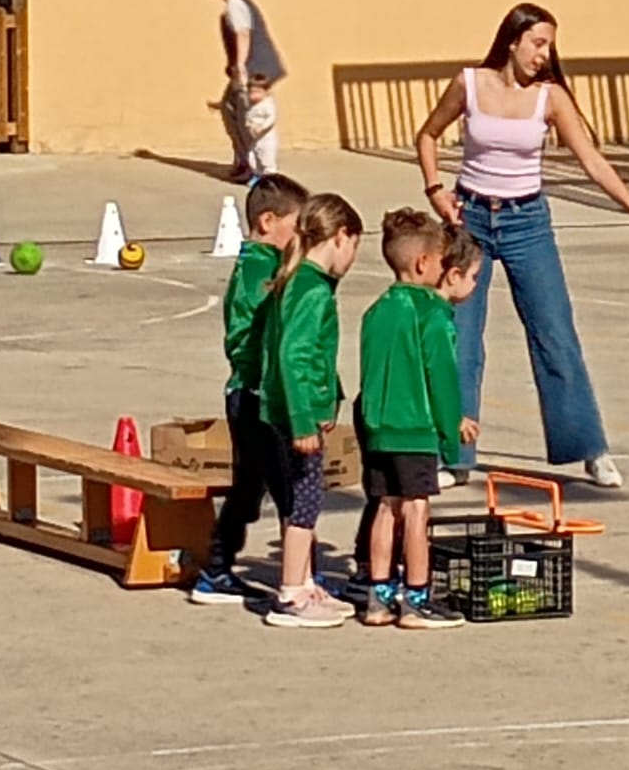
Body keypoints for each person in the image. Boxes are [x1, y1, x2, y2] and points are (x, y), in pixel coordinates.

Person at [415, 3, 629, 490]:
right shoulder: (469, 84)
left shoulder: (550, 98)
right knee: (459, 338)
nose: (544, 54)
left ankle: (589, 449)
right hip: (469, 220)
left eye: (550, 45)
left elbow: (592, 162)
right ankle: (454, 454)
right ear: (512, 40)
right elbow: (427, 135)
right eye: (538, 43)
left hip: (527, 222)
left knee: (554, 333)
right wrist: (435, 189)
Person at [347, 219, 484, 600]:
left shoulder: (377, 310)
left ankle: (377, 593)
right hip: (414, 427)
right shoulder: (433, 315)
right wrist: (451, 432)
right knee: (416, 511)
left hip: (378, 424)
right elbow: (441, 379)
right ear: (424, 263)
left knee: (385, 506)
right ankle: (416, 595)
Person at [189, 174, 310, 605]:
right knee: (290, 489)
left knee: (250, 486)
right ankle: (299, 581)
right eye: (296, 227)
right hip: (258, 394)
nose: (301, 237)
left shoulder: (256, 263)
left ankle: (216, 569)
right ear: (267, 221)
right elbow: (267, 335)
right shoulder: (263, 269)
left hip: (244, 392)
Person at [259, 192, 362, 628]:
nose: (352, 259)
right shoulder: (312, 289)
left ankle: (303, 581)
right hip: (292, 415)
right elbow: (293, 355)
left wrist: (329, 397)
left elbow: (314, 357)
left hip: (289, 409)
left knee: (298, 500)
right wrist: (303, 420)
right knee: (305, 504)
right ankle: (291, 594)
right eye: (354, 247)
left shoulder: (300, 280)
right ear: (340, 236)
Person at [207, 0, 286, 183]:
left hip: (253, 69)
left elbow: (243, 34)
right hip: (255, 67)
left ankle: (251, 166)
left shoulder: (236, 4)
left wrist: (240, 66)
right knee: (231, 108)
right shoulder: (239, 3)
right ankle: (245, 162)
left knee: (244, 118)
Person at [244, 75, 280, 177]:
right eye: (251, 92)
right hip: (255, 139)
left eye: (257, 92)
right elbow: (249, 117)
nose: (253, 95)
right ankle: (258, 176)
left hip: (266, 138)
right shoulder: (251, 105)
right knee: (252, 158)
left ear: (266, 91)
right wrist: (249, 125)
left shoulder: (267, 104)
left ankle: (270, 178)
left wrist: (262, 127)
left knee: (267, 159)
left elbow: (271, 118)